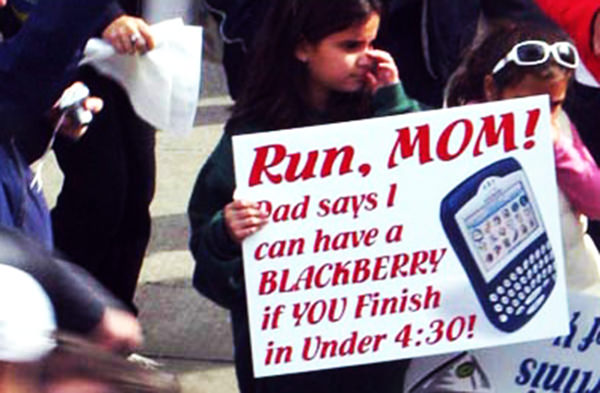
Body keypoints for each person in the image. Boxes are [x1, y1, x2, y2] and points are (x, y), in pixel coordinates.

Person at [188, 1, 421, 392]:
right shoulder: (254, 139)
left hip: (378, 357)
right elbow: (211, 269)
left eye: (371, 43)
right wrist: (226, 233)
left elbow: (429, 175)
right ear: (302, 48)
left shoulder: (385, 113)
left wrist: (394, 102)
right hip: (290, 368)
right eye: (350, 46)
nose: (367, 58)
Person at [0, 0, 157, 311]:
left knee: (136, 189)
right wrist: (105, 14)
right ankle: (69, 316)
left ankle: (109, 316)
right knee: (102, 194)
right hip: (70, 45)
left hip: (129, 41)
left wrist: (45, 120)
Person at [447, 21, 600, 291]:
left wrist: (559, 150)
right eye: (528, 105)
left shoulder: (559, 126)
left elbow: (596, 201)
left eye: (552, 104)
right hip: (513, 290)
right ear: (492, 89)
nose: (539, 116)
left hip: (577, 285)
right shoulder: (462, 139)